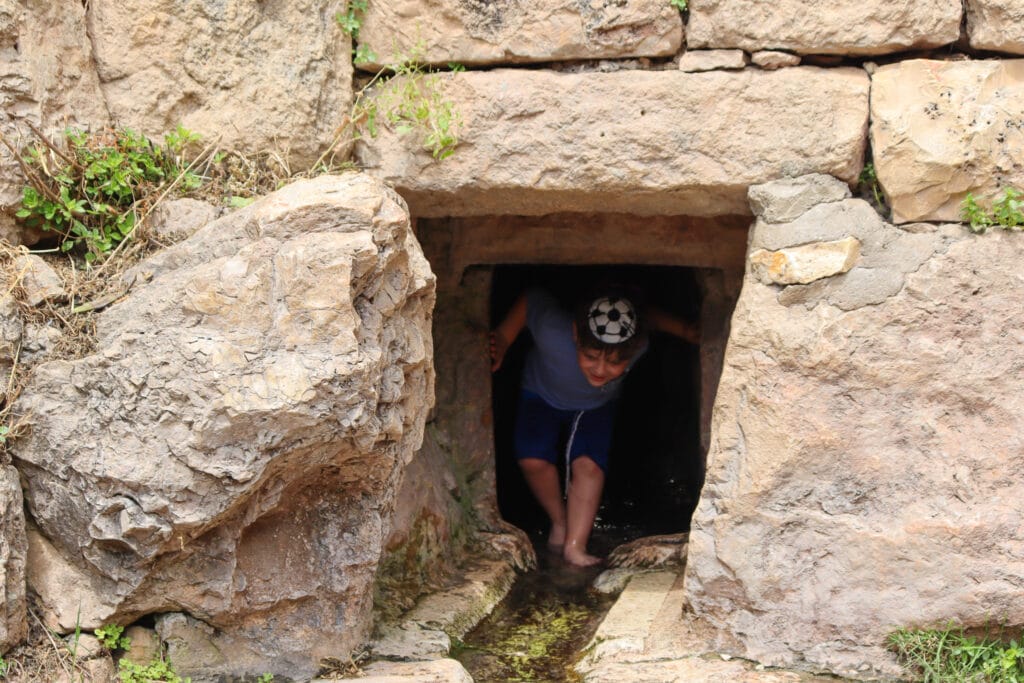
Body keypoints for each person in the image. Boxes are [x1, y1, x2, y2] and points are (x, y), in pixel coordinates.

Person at [490, 287, 698, 567]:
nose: (600, 369)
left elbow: (651, 317)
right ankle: (559, 521)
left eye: (615, 362)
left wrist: (689, 331)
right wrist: (503, 337)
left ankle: (575, 546)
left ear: (635, 348)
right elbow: (531, 301)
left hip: (595, 406)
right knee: (532, 459)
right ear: (575, 334)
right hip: (542, 394)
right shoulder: (554, 332)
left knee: (588, 466)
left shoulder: (641, 338)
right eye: (590, 356)